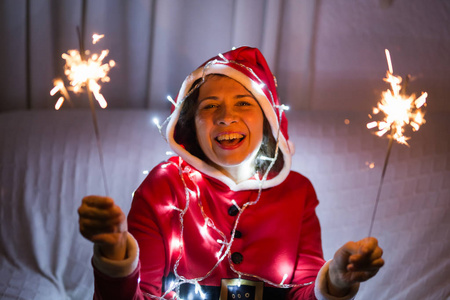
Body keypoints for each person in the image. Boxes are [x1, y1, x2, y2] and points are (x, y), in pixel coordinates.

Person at [78, 47, 384, 300]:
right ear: (190, 123)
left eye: (243, 103)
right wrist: (115, 253)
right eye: (210, 106)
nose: (226, 118)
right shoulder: (163, 187)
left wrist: (336, 281)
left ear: (267, 120)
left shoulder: (297, 192)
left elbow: (302, 294)